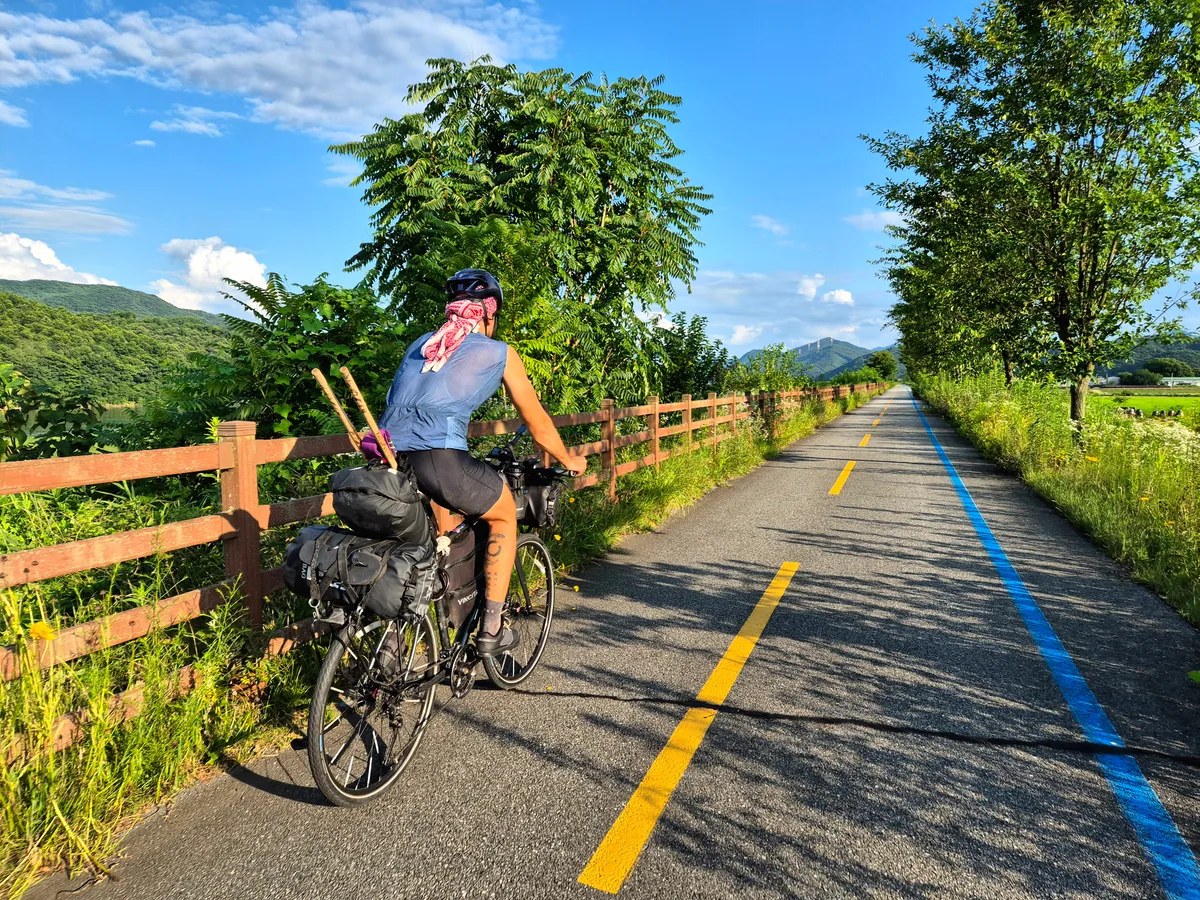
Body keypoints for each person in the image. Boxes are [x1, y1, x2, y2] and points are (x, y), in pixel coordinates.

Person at [379, 269, 587, 655]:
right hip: (438, 459)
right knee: (505, 512)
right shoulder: (499, 352)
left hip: (388, 457)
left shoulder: (420, 344)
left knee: (429, 533)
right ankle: (491, 629)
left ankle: (396, 638)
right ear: (489, 314)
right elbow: (538, 423)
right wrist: (568, 460)